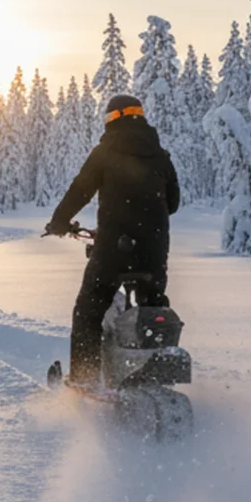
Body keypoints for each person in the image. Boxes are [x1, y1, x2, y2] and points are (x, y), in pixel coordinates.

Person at [44, 94, 182, 387]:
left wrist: (59, 222)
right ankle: (154, 374)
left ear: (112, 119)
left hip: (113, 250)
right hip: (154, 252)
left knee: (89, 309)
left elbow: (80, 191)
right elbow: (173, 203)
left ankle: (85, 379)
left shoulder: (105, 153)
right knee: (153, 308)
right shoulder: (161, 156)